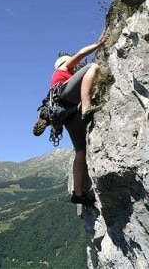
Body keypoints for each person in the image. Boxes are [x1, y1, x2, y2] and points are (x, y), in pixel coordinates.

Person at [34, 34, 107, 205]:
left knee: (80, 150)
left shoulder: (55, 79)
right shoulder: (63, 69)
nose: (74, 69)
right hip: (66, 97)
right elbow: (81, 53)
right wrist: (99, 43)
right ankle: (87, 106)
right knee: (93, 66)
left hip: (66, 113)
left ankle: (78, 193)